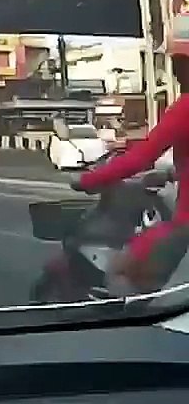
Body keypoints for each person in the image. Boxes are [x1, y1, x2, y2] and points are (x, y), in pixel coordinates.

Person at [72, 21, 189, 296]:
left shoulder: (184, 109)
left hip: (186, 227)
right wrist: (173, 173)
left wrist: (87, 180)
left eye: (175, 62)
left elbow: (140, 159)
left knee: (121, 269)